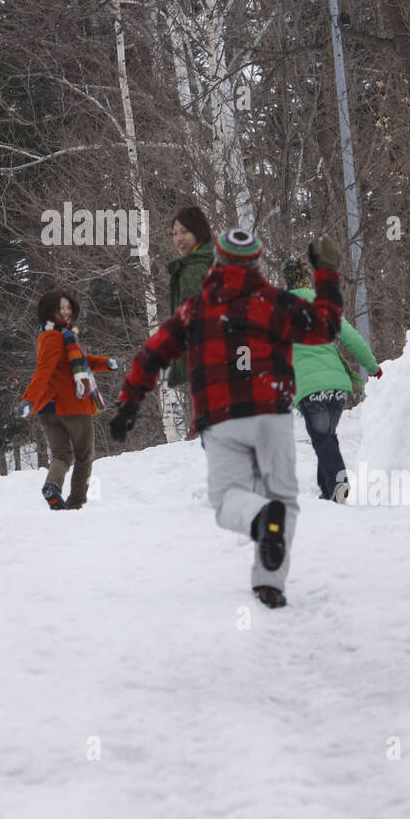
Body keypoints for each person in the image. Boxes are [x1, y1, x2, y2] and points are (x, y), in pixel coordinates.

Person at [109, 229, 343, 608]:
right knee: (283, 497)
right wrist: (326, 270)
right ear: (256, 261)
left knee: (228, 499)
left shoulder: (195, 308)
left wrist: (130, 403)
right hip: (272, 412)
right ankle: (270, 583)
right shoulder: (277, 302)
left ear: (217, 260)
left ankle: (260, 517)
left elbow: (152, 354)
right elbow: (327, 327)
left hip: (222, 417)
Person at [282, 255, 382, 504]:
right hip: (338, 387)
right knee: (327, 436)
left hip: (310, 389)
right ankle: (328, 492)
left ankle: (338, 483)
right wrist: (372, 367)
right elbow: (352, 339)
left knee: (322, 438)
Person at [18, 290, 120, 511]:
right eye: (60, 308)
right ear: (49, 311)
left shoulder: (55, 335)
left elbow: (80, 362)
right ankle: (75, 503)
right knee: (84, 456)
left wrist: (106, 363)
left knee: (62, 455)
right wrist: (28, 400)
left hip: (48, 410)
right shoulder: (56, 336)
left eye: (68, 307)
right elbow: (44, 370)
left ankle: (52, 487)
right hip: (71, 406)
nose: (65, 312)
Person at [166, 206, 214, 392]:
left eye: (184, 231)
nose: (178, 238)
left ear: (198, 230)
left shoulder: (193, 268)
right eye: (174, 233)